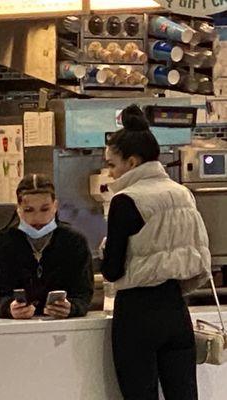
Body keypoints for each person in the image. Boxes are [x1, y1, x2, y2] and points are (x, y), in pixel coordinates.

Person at [101, 104, 211, 400]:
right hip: (176, 309)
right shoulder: (182, 193)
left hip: (137, 313)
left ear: (132, 162)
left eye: (112, 164)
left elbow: (112, 269)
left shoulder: (126, 200)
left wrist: (103, 250)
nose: (109, 173)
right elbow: (201, 255)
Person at [0, 174, 93, 320]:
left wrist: (72, 307)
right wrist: (9, 308)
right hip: (18, 329)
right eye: (29, 210)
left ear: (55, 207)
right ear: (18, 209)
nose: (37, 218)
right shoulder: (3, 243)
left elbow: (83, 294)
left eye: (45, 209)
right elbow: (0, 295)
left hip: (64, 327)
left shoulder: (74, 242)